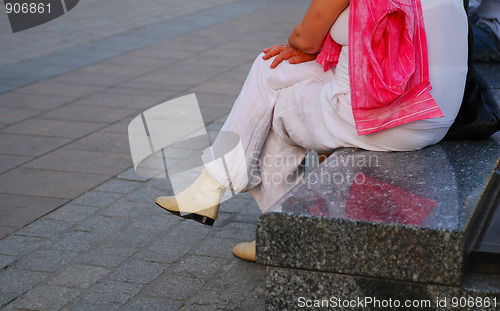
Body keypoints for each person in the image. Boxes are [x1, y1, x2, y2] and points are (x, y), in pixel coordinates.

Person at [156, 0, 469, 262]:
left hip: (382, 117)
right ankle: (226, 193)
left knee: (272, 102)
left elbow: (304, 38)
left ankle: (279, 234)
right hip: (434, 114)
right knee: (270, 71)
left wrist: (306, 47)